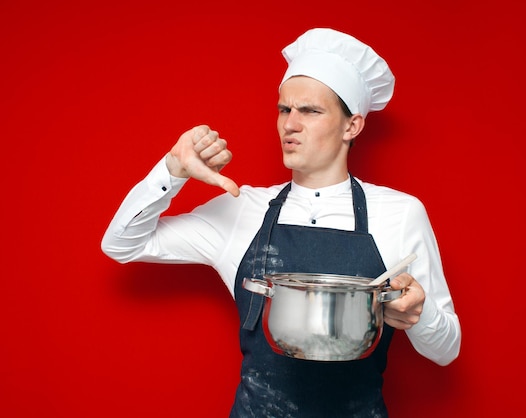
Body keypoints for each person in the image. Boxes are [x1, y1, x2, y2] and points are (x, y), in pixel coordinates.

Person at [101, 27, 461, 417]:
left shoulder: (400, 213)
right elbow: (122, 244)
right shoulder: (243, 209)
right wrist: (172, 170)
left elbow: (447, 350)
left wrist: (419, 315)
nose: (290, 124)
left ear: (351, 126)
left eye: (310, 111)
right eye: (284, 109)